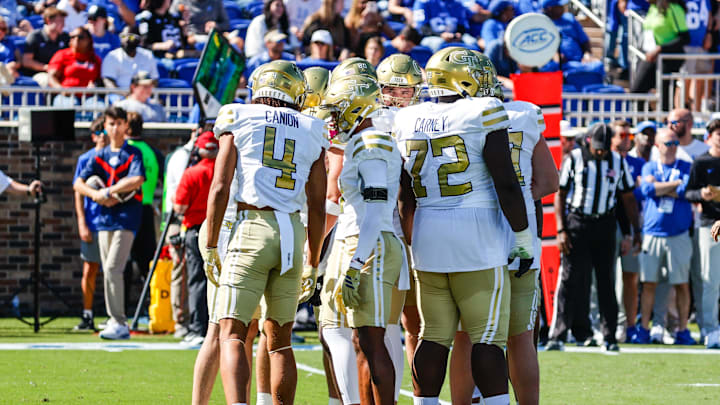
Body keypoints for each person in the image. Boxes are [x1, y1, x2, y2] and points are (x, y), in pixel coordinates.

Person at [394, 47, 534, 405]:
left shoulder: (408, 117)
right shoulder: (483, 111)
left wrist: (413, 237)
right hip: (476, 230)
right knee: (488, 337)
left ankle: (424, 402)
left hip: (428, 227)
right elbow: (506, 181)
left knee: (434, 334)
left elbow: (405, 192)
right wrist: (522, 236)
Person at [205, 60, 327, 405]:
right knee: (281, 340)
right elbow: (317, 205)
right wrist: (314, 261)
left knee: (232, 334)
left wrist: (212, 244)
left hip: (252, 227)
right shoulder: (312, 126)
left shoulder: (238, 115)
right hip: (292, 230)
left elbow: (219, 187)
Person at [323, 73, 405, 405]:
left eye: (338, 109)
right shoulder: (364, 140)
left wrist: (357, 264)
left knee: (373, 340)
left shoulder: (370, 142)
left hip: (371, 244)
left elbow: (373, 210)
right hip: (365, 240)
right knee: (356, 336)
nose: (333, 117)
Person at [548, 123, 641, 352]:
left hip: (604, 224)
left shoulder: (618, 162)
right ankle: (559, 335)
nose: (600, 152)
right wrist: (561, 230)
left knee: (606, 281)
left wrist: (636, 230)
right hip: (578, 222)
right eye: (597, 147)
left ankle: (609, 337)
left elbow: (628, 197)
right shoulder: (574, 158)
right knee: (570, 280)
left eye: (604, 148)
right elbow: (559, 194)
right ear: (589, 141)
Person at [73, 106, 145, 340]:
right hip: (103, 218)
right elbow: (79, 183)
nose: (114, 128)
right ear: (105, 126)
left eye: (119, 123)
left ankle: (119, 322)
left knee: (114, 267)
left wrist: (110, 191)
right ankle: (115, 320)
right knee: (108, 271)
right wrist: (97, 196)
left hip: (127, 217)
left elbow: (136, 179)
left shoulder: (133, 153)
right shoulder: (97, 156)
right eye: (110, 123)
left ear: (126, 126)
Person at [634, 128, 695, 345]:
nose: (671, 148)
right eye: (667, 143)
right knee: (648, 283)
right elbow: (646, 191)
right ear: (657, 145)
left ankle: (682, 329)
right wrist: (674, 185)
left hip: (678, 234)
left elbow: (687, 189)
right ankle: (644, 329)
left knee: (681, 284)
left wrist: (660, 187)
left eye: (674, 143)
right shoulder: (649, 165)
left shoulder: (686, 166)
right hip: (652, 233)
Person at [173, 131, 218, 346]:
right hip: (222, 228)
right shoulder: (226, 171)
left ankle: (198, 328)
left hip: (196, 228)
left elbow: (180, 207)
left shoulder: (192, 173)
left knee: (197, 279)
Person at [122, 111, 163, 318]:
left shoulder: (124, 151)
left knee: (125, 262)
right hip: (147, 210)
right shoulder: (153, 152)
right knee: (148, 263)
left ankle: (123, 310)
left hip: (128, 208)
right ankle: (150, 308)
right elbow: (165, 184)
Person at [685, 119, 720, 349]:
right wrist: (703, 195)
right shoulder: (701, 162)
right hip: (709, 225)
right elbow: (688, 192)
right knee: (709, 280)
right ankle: (709, 327)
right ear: (710, 136)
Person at [72, 115, 107, 331]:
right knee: (90, 269)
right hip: (93, 221)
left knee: (114, 270)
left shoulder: (117, 156)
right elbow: (78, 191)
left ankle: (116, 316)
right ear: (94, 136)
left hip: (112, 222)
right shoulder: (86, 159)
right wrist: (82, 223)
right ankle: (87, 315)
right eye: (101, 133)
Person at [629, 0, 689, 111]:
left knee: (665, 97)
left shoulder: (673, 8)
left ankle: (665, 123)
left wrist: (660, 48)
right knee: (636, 90)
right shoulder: (652, 8)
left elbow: (684, 38)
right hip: (651, 57)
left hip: (668, 58)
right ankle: (647, 123)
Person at [20, 7, 70, 86]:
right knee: (48, 81)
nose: (64, 25)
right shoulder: (35, 36)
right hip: (40, 74)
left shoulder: (65, 37)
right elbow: (26, 61)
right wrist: (46, 67)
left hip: (59, 73)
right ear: (48, 21)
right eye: (60, 21)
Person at [543, 0, 595, 64]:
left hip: (579, 62)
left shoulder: (569, 18)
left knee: (597, 66)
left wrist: (587, 54)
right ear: (550, 8)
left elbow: (584, 40)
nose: (562, 7)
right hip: (556, 65)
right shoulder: (542, 23)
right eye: (559, 6)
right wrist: (554, 56)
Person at [0, 16, 19, 84]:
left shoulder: (10, 42)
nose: (1, 31)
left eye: (3, 29)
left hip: (9, 71)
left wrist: (15, 64)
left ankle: (6, 86)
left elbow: (20, 60)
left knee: (11, 72)